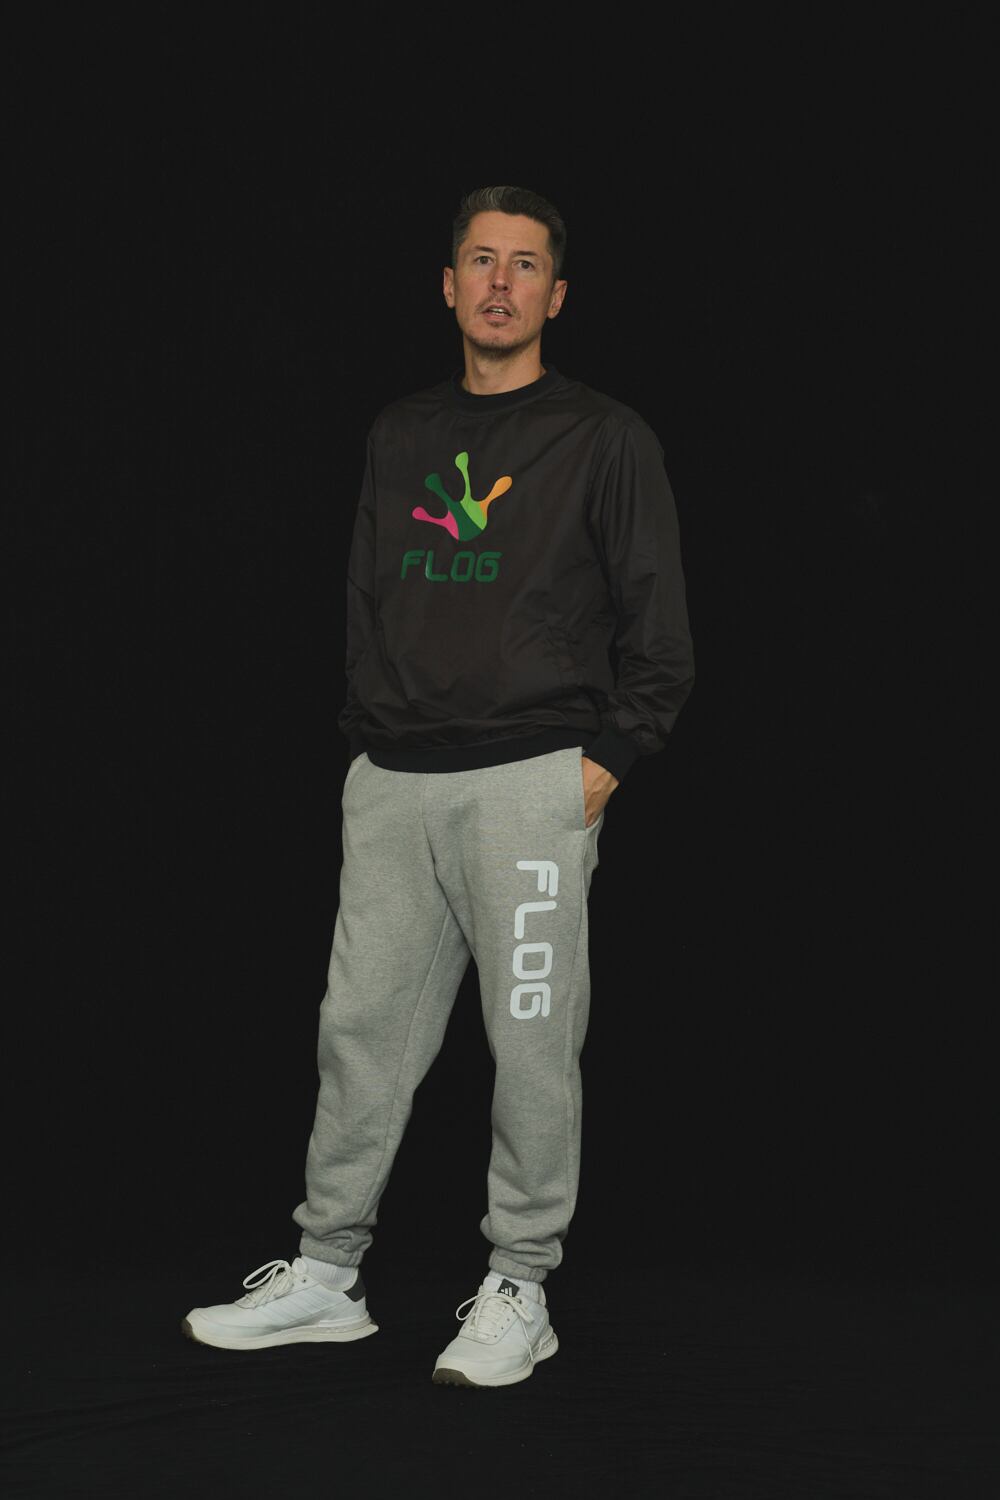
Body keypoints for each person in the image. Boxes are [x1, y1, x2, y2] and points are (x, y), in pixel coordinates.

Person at [182, 185, 695, 1387]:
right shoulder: (401, 431)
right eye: (480, 260)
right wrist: (367, 741)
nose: (500, 282)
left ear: (556, 296)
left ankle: (521, 1286)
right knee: (358, 1033)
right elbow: (367, 594)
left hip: (528, 782)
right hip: (394, 781)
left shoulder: (603, 437)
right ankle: (327, 1275)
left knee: (530, 1046)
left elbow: (658, 623)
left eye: (525, 264)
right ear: (449, 284)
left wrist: (606, 760)